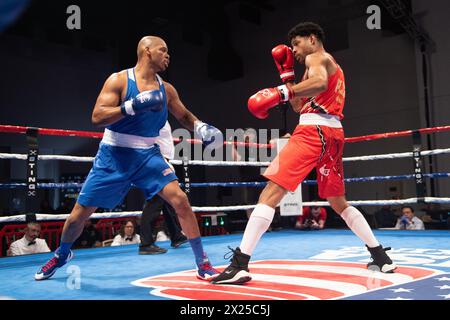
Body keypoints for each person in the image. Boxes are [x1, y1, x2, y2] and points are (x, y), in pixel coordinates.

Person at [212, 22, 395, 285]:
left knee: (271, 192)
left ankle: (239, 264)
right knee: (337, 202)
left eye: (296, 43)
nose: (294, 50)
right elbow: (300, 106)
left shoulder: (317, 57)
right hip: (332, 134)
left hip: (313, 132)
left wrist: (281, 92)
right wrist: (287, 77)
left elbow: (318, 84)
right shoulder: (324, 65)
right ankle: (380, 257)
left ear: (312, 39)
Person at [35, 36, 222, 281]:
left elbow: (183, 115)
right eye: (162, 50)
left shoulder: (166, 89)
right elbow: (97, 116)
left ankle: (203, 263)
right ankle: (61, 255)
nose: (168, 55)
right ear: (146, 51)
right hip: (114, 154)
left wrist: (200, 127)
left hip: (147, 154)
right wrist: (131, 106)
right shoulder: (119, 80)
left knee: (181, 200)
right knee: (78, 216)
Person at [139, 121, 188, 255]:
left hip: (162, 160)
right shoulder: (151, 114)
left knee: (167, 201)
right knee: (154, 201)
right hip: (157, 160)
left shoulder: (160, 115)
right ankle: (146, 243)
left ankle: (176, 236)